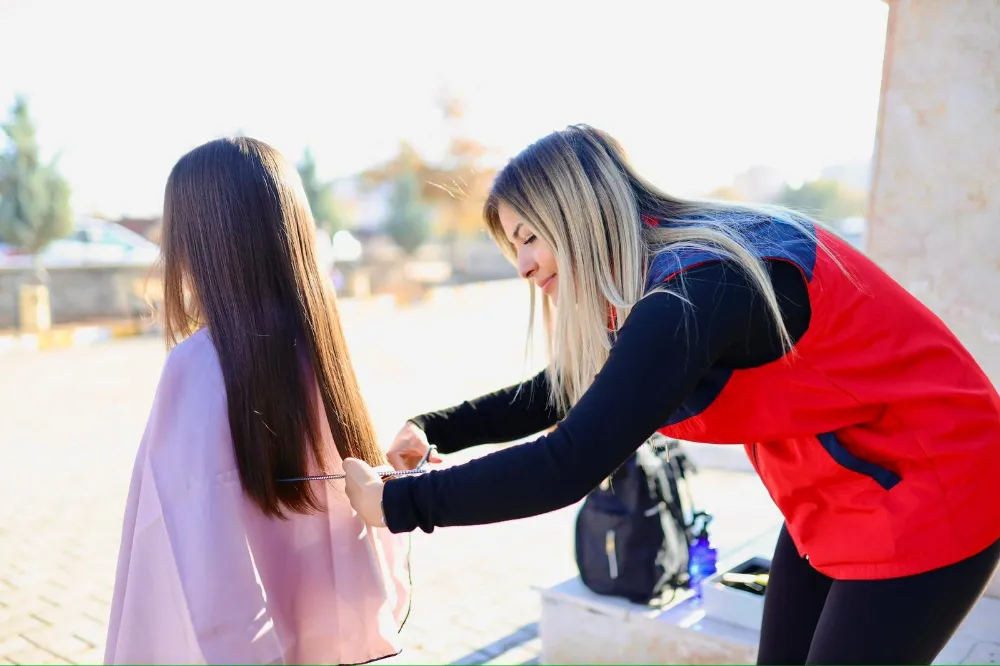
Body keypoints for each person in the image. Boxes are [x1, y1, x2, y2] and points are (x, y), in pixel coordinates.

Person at [343, 125, 1000, 665]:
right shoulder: (657, 279)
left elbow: (568, 462)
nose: (522, 266)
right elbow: (580, 388)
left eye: (531, 237)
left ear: (580, 213)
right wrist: (438, 426)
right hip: (837, 485)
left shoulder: (698, 288)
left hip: (932, 481)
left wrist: (397, 504)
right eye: (513, 245)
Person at [105, 137, 411, 665]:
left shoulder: (196, 367)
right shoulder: (325, 356)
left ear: (198, 243)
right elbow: (366, 539)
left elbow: (185, 545)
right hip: (330, 645)